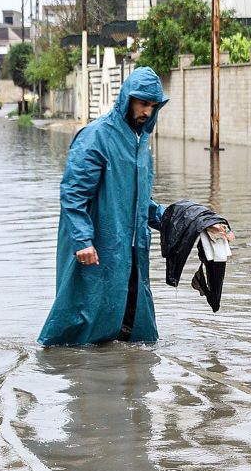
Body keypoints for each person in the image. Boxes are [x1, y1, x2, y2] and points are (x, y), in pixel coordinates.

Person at [38, 66, 168, 347]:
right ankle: (72, 367)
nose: (147, 112)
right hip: (96, 248)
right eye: (142, 103)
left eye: (153, 106)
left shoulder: (141, 142)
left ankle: (123, 371)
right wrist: (83, 240)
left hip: (131, 250)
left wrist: (178, 220)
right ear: (127, 99)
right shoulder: (96, 136)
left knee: (132, 329)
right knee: (83, 322)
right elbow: (73, 194)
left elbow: (139, 203)